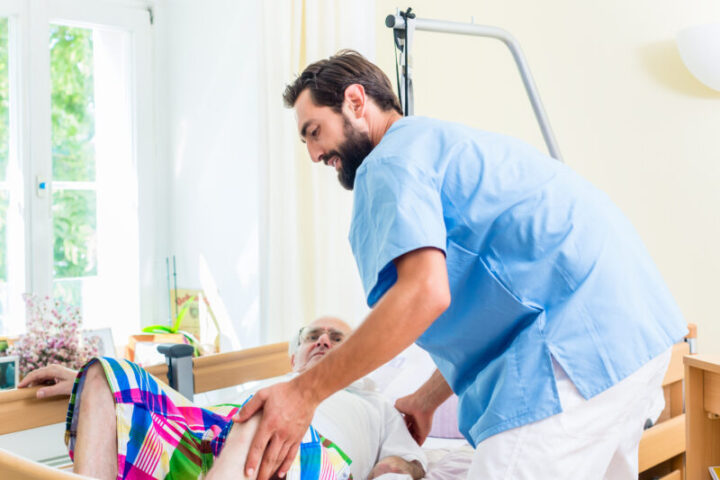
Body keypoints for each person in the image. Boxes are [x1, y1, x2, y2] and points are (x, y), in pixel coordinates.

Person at [234, 50, 688, 480]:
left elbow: (423, 294)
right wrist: (428, 399)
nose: (314, 155)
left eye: (314, 131)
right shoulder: (438, 145)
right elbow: (492, 305)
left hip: (569, 350)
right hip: (635, 337)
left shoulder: (388, 163)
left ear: (355, 101)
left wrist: (304, 393)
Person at [18, 316, 427, 480]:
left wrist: (396, 470)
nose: (323, 340)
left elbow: (405, 463)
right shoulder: (269, 385)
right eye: (312, 336)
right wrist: (98, 388)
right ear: (293, 356)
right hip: (220, 441)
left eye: (337, 338)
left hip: (308, 459)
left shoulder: (374, 403)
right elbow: (189, 415)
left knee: (270, 410)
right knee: (102, 372)